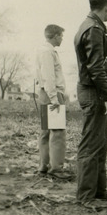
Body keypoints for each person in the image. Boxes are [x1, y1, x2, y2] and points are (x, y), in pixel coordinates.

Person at [74, 0, 107, 206]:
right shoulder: (94, 29)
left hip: (93, 91)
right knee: (91, 144)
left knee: (100, 143)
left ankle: (99, 192)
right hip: (94, 93)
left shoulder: (90, 26)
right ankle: (86, 196)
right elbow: (96, 67)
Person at [35, 24, 70, 179]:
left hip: (45, 94)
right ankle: (56, 169)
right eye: (61, 36)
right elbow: (49, 76)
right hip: (52, 94)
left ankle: (44, 165)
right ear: (55, 36)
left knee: (45, 131)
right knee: (57, 132)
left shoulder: (41, 50)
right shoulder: (48, 52)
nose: (62, 38)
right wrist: (55, 98)